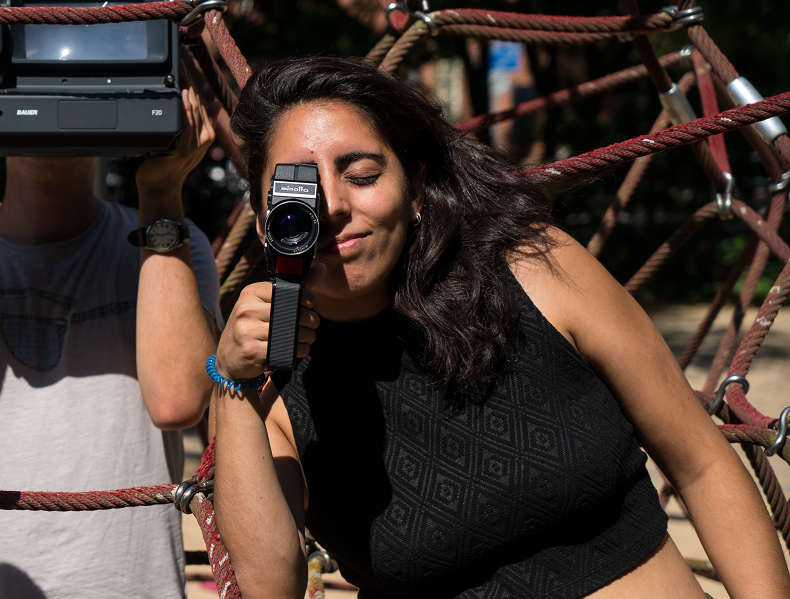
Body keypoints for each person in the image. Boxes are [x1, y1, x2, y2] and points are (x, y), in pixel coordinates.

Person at [209, 56, 790, 599]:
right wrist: (232, 387)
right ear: (266, 223)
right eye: (299, 193)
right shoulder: (269, 385)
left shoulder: (534, 268)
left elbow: (702, 462)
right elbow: (270, 585)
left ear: (414, 189)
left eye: (361, 175)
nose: (332, 206)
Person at [0, 62, 221, 597]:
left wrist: (163, 192)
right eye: (26, 79)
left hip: (125, 583)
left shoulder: (165, 242)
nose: (53, 101)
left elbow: (177, 401)